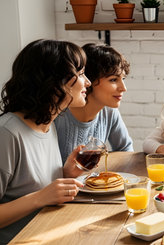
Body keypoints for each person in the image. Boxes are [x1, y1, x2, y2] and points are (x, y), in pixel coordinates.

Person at [0, 39, 91, 243]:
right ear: (54, 81)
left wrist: (64, 174)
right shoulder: (7, 133)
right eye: (81, 74)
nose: (88, 82)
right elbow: (38, 196)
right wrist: (40, 198)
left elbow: (28, 187)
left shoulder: (47, 125)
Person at [55, 43, 133, 163]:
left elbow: (126, 150)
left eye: (122, 79)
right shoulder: (58, 114)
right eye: (113, 80)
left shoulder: (110, 112)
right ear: (88, 79)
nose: (123, 88)